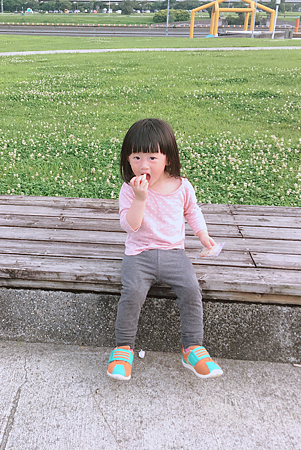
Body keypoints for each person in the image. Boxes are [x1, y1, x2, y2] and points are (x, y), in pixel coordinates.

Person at [107, 118, 223, 381]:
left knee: (191, 289)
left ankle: (192, 348)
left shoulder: (182, 186)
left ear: (167, 158)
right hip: (139, 255)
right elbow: (130, 226)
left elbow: (192, 211)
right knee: (132, 292)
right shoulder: (130, 190)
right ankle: (123, 348)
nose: (144, 165)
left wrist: (203, 235)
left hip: (174, 253)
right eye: (136, 157)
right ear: (127, 159)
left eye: (152, 157)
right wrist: (140, 198)